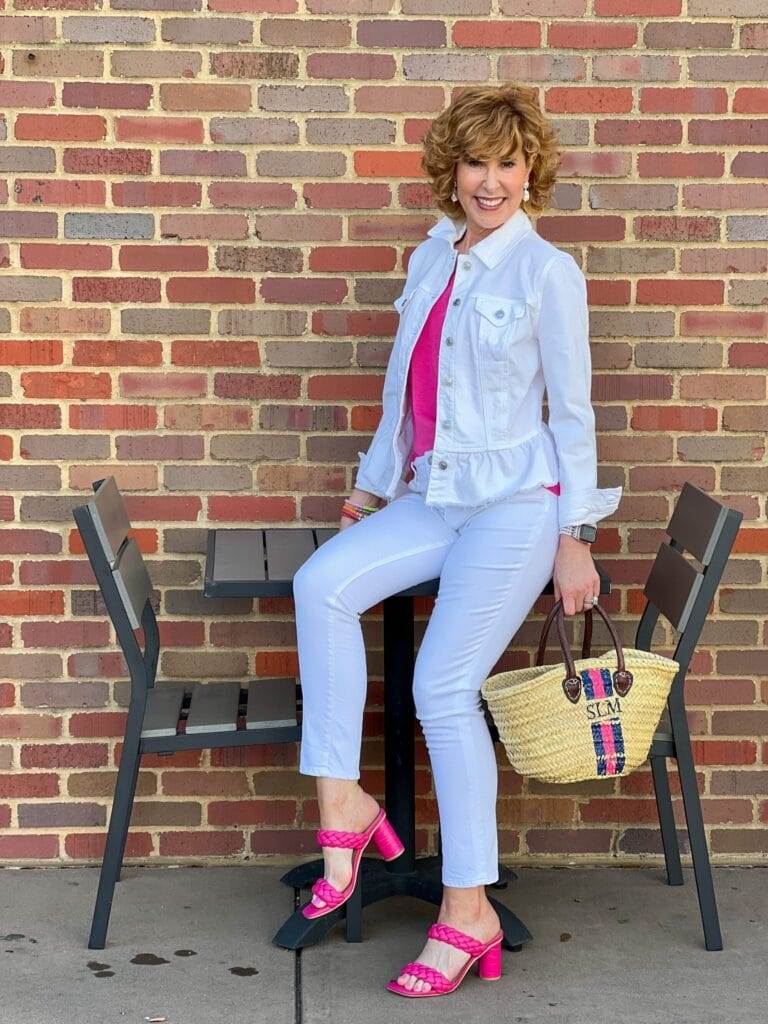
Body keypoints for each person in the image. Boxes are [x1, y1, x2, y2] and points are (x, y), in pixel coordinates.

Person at [291, 82, 623, 997]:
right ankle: (346, 805)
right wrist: (368, 485)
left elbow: (576, 415)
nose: (491, 181)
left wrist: (576, 533)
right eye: (476, 162)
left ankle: (466, 908)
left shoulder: (547, 273)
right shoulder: (431, 257)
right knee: (319, 585)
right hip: (435, 496)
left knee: (441, 686)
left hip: (515, 505)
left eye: (509, 164)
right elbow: (405, 396)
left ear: (531, 173)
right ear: (453, 169)